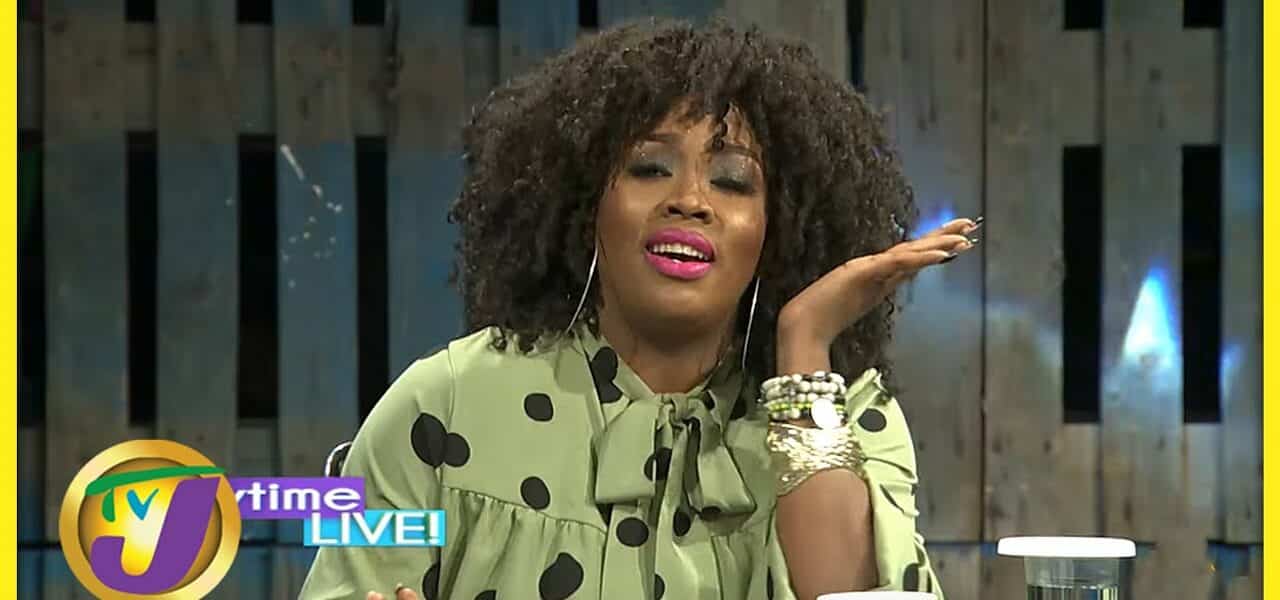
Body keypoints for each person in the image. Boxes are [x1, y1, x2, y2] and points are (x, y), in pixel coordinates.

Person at [300, 17, 977, 600]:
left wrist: (802, 346)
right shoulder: (439, 405)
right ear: (585, 203)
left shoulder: (849, 417)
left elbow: (853, 596)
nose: (690, 200)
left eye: (732, 181)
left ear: (780, 229)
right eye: (649, 168)